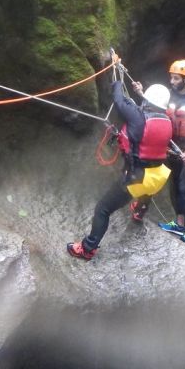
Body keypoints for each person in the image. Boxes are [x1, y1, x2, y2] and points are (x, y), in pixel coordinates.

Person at [67, 69, 173, 261]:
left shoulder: (137, 117)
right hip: (157, 176)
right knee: (145, 192)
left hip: (136, 178)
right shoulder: (167, 121)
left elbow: (119, 100)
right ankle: (139, 212)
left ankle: (87, 249)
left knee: (103, 209)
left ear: (147, 101)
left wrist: (116, 83)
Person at [130, 59, 185, 245]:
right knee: (174, 188)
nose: (172, 81)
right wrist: (140, 93)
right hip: (171, 150)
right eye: (171, 77)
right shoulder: (168, 96)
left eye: (176, 78)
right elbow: (153, 107)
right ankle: (179, 223)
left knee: (184, 189)